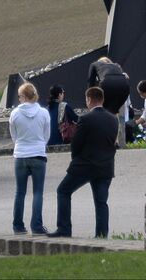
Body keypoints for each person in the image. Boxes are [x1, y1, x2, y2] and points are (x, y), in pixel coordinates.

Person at [49, 86, 116, 238]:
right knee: (101, 202)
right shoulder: (113, 119)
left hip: (85, 165)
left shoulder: (85, 119)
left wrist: (76, 160)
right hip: (106, 166)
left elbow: (76, 144)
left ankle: (64, 228)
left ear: (89, 100)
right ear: (103, 99)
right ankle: (101, 234)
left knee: (63, 191)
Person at [9, 82, 50, 235]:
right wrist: (39, 144)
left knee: (20, 192)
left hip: (20, 154)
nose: (18, 99)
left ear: (24, 97)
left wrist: (20, 145)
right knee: (38, 192)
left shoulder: (15, 114)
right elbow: (46, 135)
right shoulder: (43, 113)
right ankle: (37, 226)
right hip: (38, 153)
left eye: (19, 96)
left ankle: (18, 226)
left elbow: (14, 135)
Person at [98, 61, 131, 146]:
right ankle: (118, 142)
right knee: (118, 123)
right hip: (120, 106)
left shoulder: (107, 79)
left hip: (113, 105)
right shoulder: (123, 79)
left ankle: (113, 141)